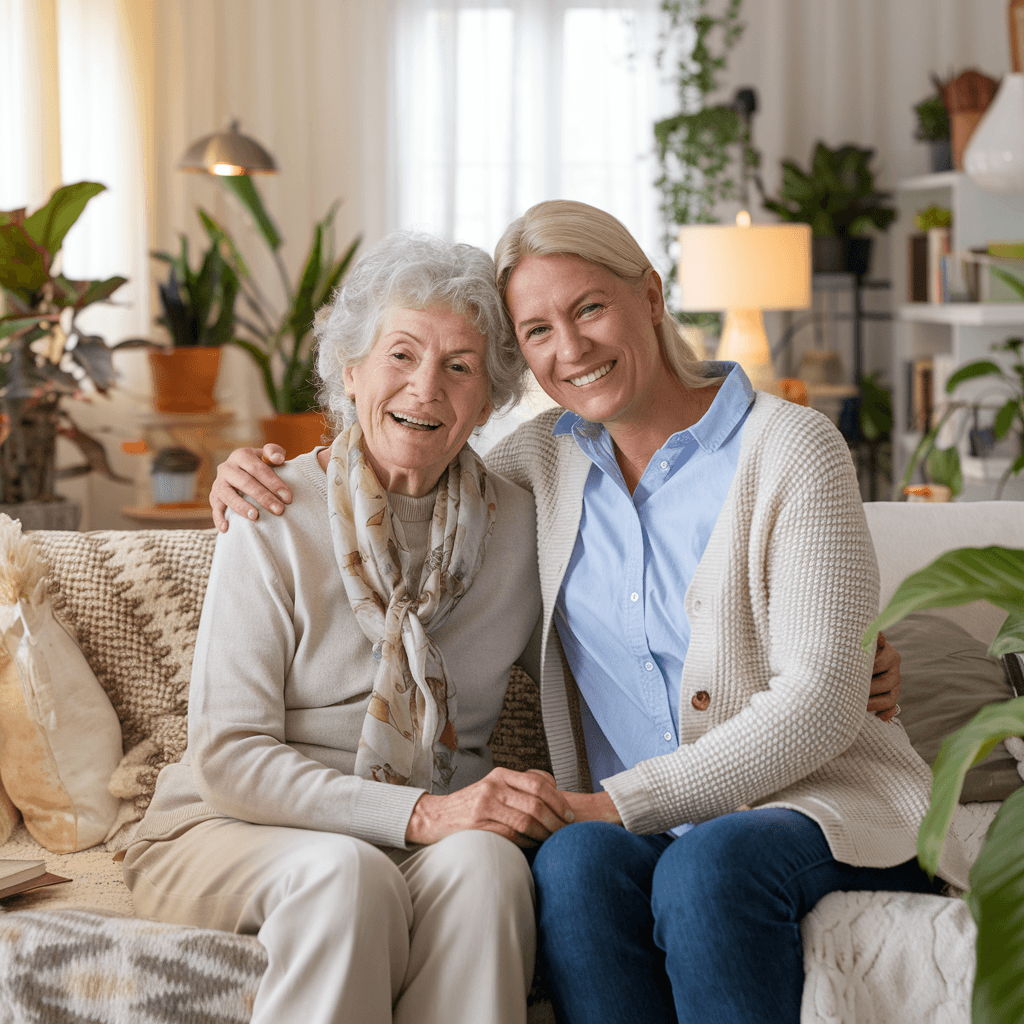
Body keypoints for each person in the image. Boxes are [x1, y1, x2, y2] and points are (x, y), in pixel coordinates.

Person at [210, 201, 960, 1024]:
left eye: (590, 308)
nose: (570, 348)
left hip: (818, 808)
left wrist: (855, 665)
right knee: (569, 863)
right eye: (536, 331)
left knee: (705, 867)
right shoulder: (537, 466)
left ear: (650, 294)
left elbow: (817, 698)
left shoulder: (792, 447)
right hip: (630, 826)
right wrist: (248, 470)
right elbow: (411, 465)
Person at [121, 232, 581, 1024]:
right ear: (351, 370)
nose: (425, 388)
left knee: (490, 868)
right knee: (348, 874)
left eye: (459, 366)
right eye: (400, 355)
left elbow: (617, 660)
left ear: (492, 397)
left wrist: (861, 669)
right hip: (233, 827)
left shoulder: (523, 531)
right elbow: (229, 757)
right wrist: (421, 816)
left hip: (416, 827)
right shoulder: (270, 509)